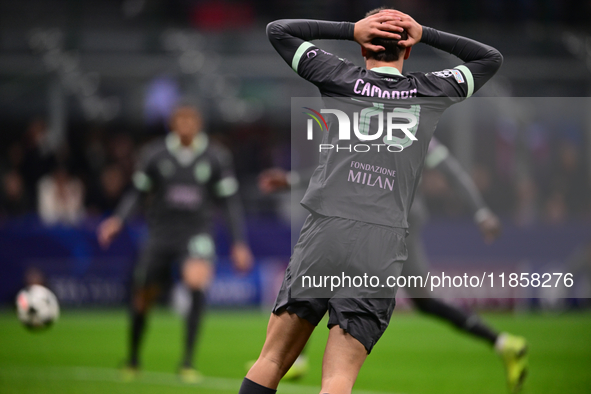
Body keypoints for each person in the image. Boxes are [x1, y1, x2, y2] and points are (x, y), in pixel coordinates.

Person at [240, 7, 504, 394]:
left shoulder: (338, 75)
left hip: (326, 231)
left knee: (273, 359)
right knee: (338, 378)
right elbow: (489, 59)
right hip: (381, 243)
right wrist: (425, 31)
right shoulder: (431, 90)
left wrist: (350, 30)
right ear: (407, 50)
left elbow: (279, 30)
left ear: (364, 47)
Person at [257, 137, 528, 392]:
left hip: (395, 224)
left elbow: (452, 172)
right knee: (422, 300)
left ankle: (299, 357)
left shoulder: (408, 125)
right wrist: (292, 179)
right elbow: (337, 167)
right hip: (386, 221)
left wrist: (481, 212)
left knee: (330, 277)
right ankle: (503, 343)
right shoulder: (397, 121)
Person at [97, 105, 253, 382]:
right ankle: (133, 358)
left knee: (196, 283)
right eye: (180, 120)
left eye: (190, 120)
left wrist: (238, 242)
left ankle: (187, 361)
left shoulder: (216, 156)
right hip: (160, 233)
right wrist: (117, 220)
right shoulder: (154, 154)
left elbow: (229, 203)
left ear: (199, 123)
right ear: (172, 123)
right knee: (143, 295)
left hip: (197, 233)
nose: (185, 125)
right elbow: (137, 192)